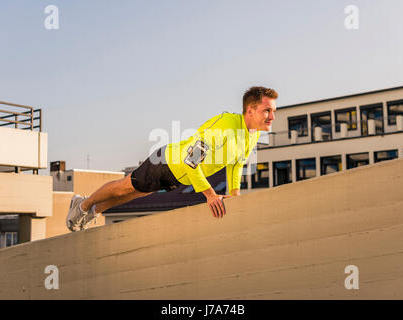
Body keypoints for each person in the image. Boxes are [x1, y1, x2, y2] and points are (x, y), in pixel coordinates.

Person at [66, 86, 278, 231]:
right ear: (250, 110)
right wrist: (211, 194)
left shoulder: (252, 134)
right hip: (167, 162)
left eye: (273, 111)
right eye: (267, 110)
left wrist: (235, 194)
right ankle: (82, 205)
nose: (272, 116)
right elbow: (191, 159)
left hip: (180, 177)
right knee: (126, 186)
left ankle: (94, 210)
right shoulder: (225, 126)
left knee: (135, 194)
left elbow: (236, 164)